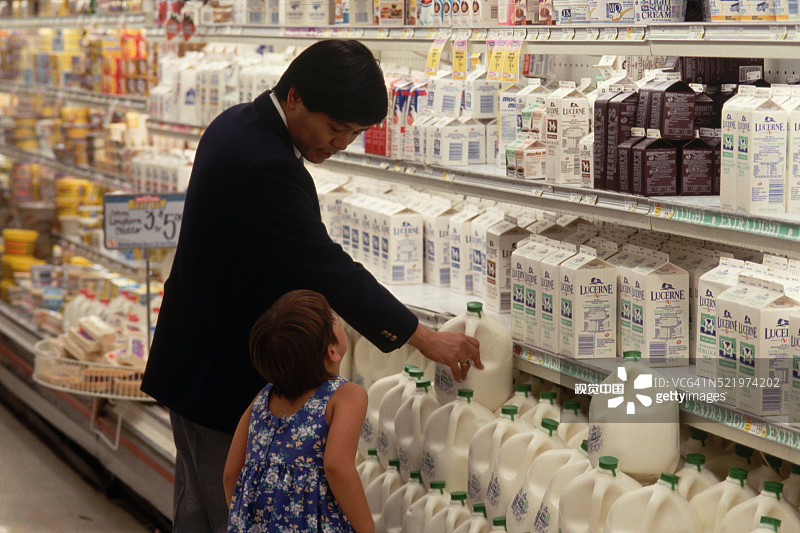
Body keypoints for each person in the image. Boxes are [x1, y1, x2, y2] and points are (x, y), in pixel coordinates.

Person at [141, 39, 481, 532]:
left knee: (197, 508)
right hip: (218, 374)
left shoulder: (238, 122)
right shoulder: (267, 163)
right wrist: (423, 337)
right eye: (336, 127)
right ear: (296, 97)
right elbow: (324, 264)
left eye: (354, 132)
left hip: (193, 358)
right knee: (222, 513)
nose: (340, 142)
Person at [224, 289, 372, 532]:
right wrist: (366, 527)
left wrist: (244, 521)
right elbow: (336, 465)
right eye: (333, 318)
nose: (338, 318)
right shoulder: (346, 395)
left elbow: (231, 473)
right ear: (331, 351)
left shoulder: (262, 398)